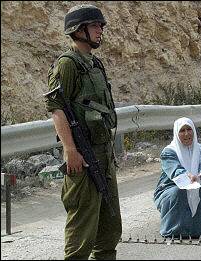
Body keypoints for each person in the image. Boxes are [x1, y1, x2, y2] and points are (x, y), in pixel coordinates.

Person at [44, 4, 122, 260]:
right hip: (83, 156)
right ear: (78, 30)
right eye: (95, 26)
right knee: (81, 237)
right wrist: (70, 151)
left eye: (100, 26)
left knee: (109, 232)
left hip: (103, 154)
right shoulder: (68, 64)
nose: (100, 30)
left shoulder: (95, 63)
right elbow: (57, 109)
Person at [154, 117, 201, 238]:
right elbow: (174, 169)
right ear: (176, 133)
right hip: (170, 187)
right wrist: (187, 175)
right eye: (182, 130)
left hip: (197, 184)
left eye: (189, 129)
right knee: (178, 193)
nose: (186, 134)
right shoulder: (169, 151)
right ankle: (174, 230)